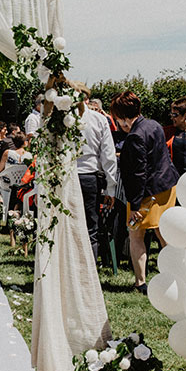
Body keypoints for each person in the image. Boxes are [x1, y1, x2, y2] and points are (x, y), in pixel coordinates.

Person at [111, 91, 179, 294]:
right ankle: (175, 274)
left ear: (123, 118)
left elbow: (138, 174)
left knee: (136, 234)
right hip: (167, 186)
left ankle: (140, 281)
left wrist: (135, 205)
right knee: (163, 233)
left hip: (146, 194)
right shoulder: (154, 125)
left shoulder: (135, 136)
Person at [77, 98, 119, 263]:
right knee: (90, 229)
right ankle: (89, 272)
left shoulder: (59, 120)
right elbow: (108, 156)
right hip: (89, 176)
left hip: (69, 177)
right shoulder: (99, 119)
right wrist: (110, 187)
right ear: (86, 99)